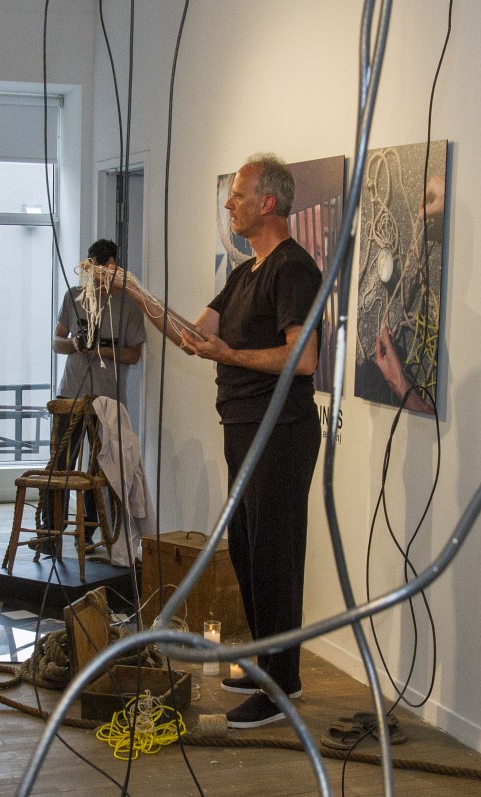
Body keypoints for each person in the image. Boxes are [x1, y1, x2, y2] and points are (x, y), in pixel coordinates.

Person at [93, 154, 322, 729]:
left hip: (281, 433)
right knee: (247, 554)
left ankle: (281, 686)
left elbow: (305, 357)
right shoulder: (245, 274)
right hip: (243, 430)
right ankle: (268, 666)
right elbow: (194, 337)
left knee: (274, 557)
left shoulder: (292, 269)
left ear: (267, 203)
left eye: (238, 195)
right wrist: (132, 289)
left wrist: (233, 356)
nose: (229, 203)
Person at [49, 239, 146, 550]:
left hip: (106, 401)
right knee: (60, 464)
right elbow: (56, 342)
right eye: (89, 270)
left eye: (99, 270)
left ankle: (92, 533)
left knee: (100, 467)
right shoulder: (73, 297)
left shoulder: (130, 306)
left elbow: (134, 354)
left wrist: (102, 349)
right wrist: (76, 345)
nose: (93, 277)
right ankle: (51, 533)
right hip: (70, 394)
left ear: (112, 265)